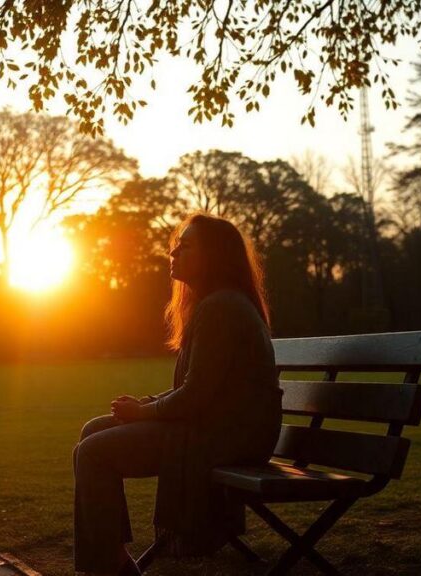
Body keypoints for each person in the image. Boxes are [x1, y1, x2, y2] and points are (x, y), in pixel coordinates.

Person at [72, 211, 284, 576]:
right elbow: (197, 390)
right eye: (175, 247)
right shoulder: (215, 304)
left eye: (185, 247)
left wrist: (145, 413)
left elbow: (196, 396)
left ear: (214, 256)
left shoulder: (221, 307)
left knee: (93, 452)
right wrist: (148, 405)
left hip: (226, 436)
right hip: (216, 427)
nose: (173, 254)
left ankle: (111, 567)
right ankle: (114, 560)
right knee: (93, 430)